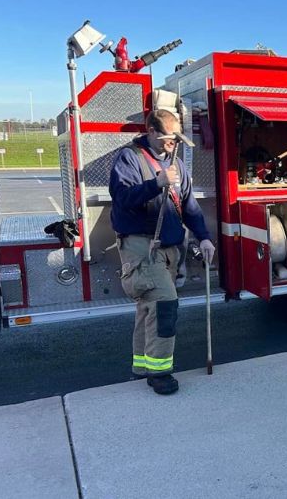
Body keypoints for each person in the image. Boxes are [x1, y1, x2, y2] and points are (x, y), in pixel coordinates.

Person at [109, 109, 216, 395]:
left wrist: (204, 238)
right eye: (169, 138)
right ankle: (160, 373)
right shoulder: (129, 158)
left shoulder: (177, 164)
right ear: (152, 132)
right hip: (141, 247)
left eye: (177, 138)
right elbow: (122, 199)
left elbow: (189, 206)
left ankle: (143, 366)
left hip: (169, 249)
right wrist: (155, 184)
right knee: (165, 303)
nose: (173, 143)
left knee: (149, 308)